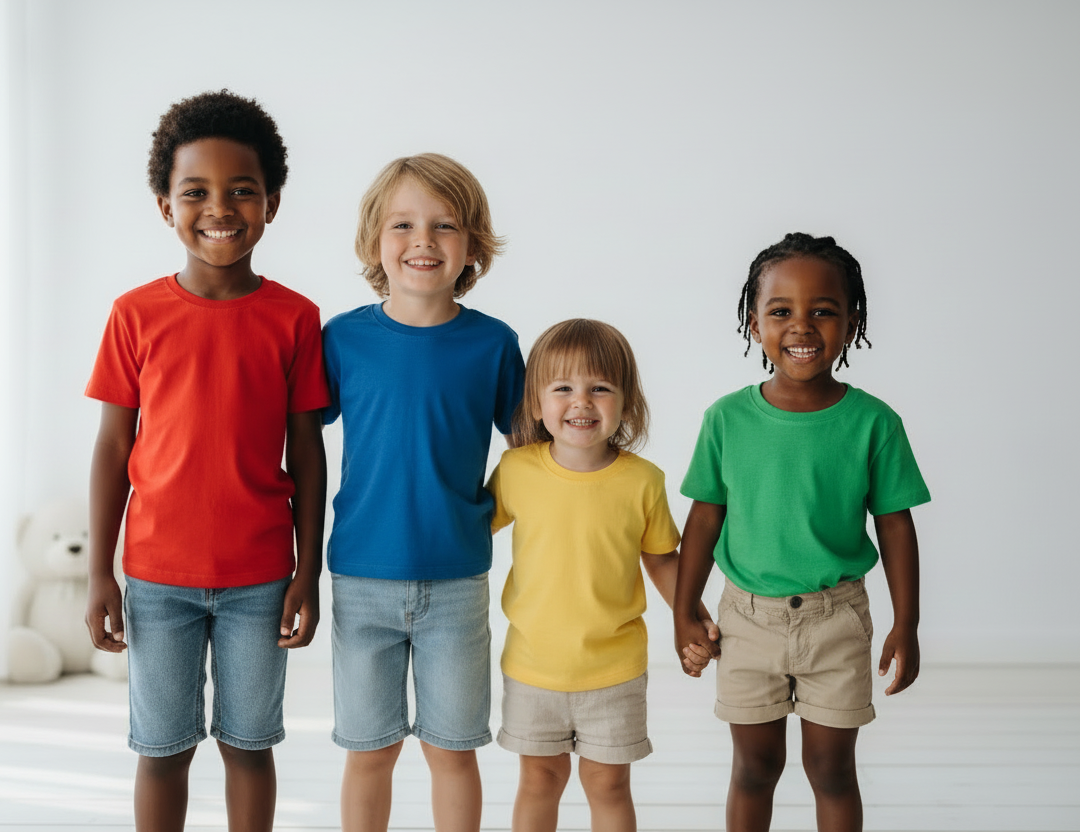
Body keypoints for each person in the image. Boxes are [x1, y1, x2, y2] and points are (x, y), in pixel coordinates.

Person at [83, 90, 328, 832]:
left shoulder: (295, 317)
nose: (219, 208)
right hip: (158, 580)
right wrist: (101, 571)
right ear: (165, 206)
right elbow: (112, 448)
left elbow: (308, 451)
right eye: (195, 192)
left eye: (241, 191)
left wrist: (306, 572)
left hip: (260, 579)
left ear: (272, 203)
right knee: (162, 749)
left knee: (249, 745)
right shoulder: (135, 314)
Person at [673, 232, 930, 831]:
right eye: (781, 312)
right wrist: (684, 610)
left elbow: (894, 525)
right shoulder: (726, 419)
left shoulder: (873, 422)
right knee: (754, 768)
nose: (802, 327)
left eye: (823, 311)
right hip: (745, 620)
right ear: (753, 321)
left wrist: (907, 622)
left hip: (836, 620)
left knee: (832, 770)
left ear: (852, 320)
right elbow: (705, 516)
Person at [322, 153, 525, 832]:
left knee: (452, 749)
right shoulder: (343, 339)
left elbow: (535, 453)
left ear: (471, 244)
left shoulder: (494, 344)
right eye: (403, 224)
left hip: (457, 584)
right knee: (369, 751)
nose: (423, 242)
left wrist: (481, 513)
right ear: (376, 239)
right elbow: (293, 434)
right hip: (360, 577)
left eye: (444, 226)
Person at [487, 318, 718, 832]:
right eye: (563, 388)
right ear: (536, 402)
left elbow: (660, 558)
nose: (581, 402)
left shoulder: (642, 481)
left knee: (609, 785)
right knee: (539, 781)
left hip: (614, 672)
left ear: (626, 402)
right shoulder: (517, 471)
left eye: (600, 389)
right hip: (531, 668)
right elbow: (471, 532)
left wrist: (692, 616)